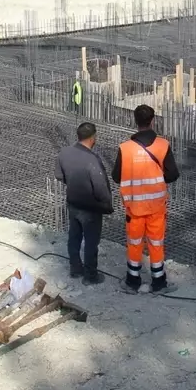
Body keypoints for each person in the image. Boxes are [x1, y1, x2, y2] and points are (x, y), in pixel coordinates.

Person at [111, 104, 180, 293]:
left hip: (134, 207)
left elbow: (116, 176)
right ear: (153, 121)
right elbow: (173, 174)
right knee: (156, 243)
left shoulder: (125, 148)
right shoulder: (163, 145)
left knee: (134, 243)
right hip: (157, 206)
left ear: (135, 121)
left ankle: (132, 281)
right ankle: (159, 282)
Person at [54, 121, 113, 285]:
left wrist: (73, 184)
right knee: (91, 242)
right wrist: (107, 204)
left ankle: (75, 269)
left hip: (73, 203)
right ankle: (90, 276)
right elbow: (100, 186)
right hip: (90, 208)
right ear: (93, 138)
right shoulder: (92, 159)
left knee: (74, 237)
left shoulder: (64, 153)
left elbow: (59, 176)